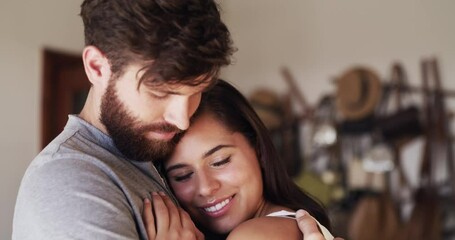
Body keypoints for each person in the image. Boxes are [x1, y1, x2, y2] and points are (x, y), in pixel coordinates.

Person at [13, 0, 234, 239]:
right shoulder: (67, 183)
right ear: (97, 68)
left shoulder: (158, 152)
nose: (182, 120)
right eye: (159, 93)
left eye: (196, 92)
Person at [143, 80, 337, 239]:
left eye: (220, 161)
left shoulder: (254, 235)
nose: (205, 187)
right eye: (182, 176)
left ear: (258, 149)